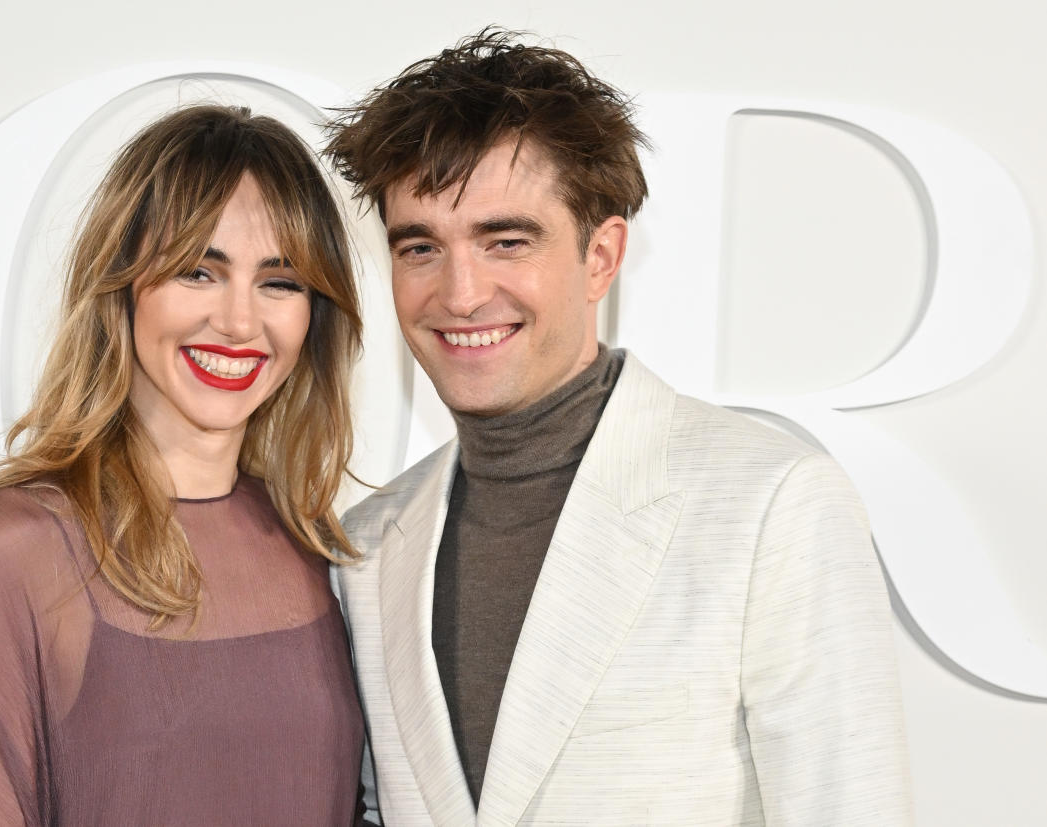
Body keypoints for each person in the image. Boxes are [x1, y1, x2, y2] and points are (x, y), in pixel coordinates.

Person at [325, 29, 913, 825]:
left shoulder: (769, 503)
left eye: (505, 240)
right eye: (421, 246)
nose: (459, 293)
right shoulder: (366, 546)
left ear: (600, 256)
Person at [0, 104, 367, 825]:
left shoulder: (322, 550)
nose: (240, 322)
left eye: (280, 282)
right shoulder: (17, 545)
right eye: (197, 271)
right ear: (122, 287)